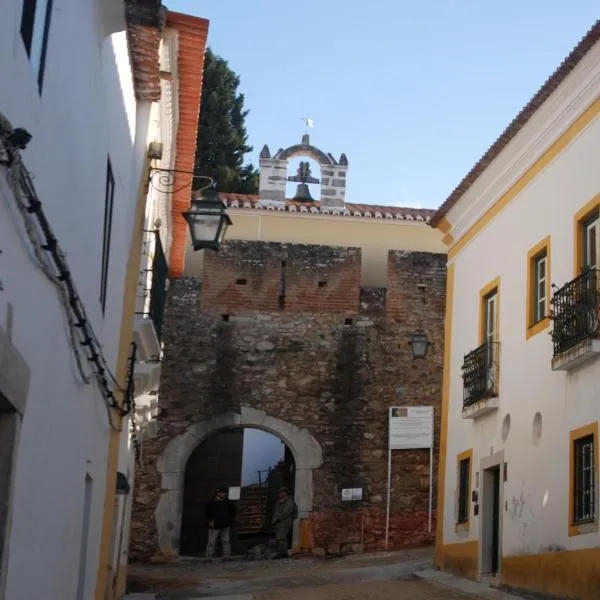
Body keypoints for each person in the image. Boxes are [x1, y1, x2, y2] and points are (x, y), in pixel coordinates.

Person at [204, 488, 236, 560]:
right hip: (215, 525)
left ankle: (227, 556)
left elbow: (232, 512)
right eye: (222, 493)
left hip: (225, 525)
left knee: (226, 541)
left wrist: (230, 521)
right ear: (218, 493)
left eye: (224, 493)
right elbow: (207, 513)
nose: (223, 494)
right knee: (211, 541)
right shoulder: (212, 503)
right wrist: (210, 521)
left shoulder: (228, 503)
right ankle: (208, 556)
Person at [271, 486, 297, 559]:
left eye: (282, 492)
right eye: (279, 492)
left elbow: (286, 512)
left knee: (281, 538)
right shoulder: (278, 502)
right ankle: (282, 553)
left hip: (285, 522)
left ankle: (282, 553)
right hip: (279, 523)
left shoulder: (288, 501)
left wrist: (277, 519)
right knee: (279, 538)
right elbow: (276, 512)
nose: (280, 494)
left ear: (285, 493)